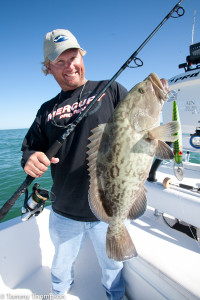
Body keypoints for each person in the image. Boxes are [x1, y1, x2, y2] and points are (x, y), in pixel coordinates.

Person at [21, 29, 128, 300]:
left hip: (108, 209)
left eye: (74, 56)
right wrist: (30, 158)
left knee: (113, 265)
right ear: (49, 68)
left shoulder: (111, 90)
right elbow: (29, 147)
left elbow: (141, 126)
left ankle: (115, 296)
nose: (71, 66)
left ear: (82, 56)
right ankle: (58, 293)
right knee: (60, 263)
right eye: (61, 61)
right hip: (64, 210)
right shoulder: (46, 110)